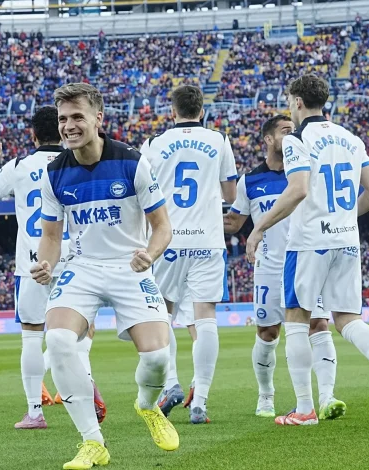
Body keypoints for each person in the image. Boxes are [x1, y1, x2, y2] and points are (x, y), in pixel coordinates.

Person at [245, 74, 369, 427]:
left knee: (297, 319)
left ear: (298, 102)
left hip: (309, 242)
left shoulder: (297, 138)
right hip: (347, 240)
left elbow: (298, 189)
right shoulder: (350, 137)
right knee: (347, 319)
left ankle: (305, 408)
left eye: (289, 100)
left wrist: (259, 227)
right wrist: (346, 216)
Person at [31, 83, 178, 469]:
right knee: (60, 341)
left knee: (159, 358)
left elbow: (162, 227)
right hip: (81, 267)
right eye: (63, 119)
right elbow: (50, 236)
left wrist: (150, 253)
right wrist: (46, 265)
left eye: (77, 117)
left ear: (99, 118)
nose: (68, 126)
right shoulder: (54, 173)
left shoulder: (132, 162)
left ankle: (147, 407)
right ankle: (92, 441)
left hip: (129, 265)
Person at [0, 106, 106, 430]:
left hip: (31, 263)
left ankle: (35, 412)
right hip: (74, 259)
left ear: (32, 135)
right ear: (60, 131)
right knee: (80, 332)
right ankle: (85, 391)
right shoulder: (76, 162)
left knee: (31, 336)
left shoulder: (19, 166)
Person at [224, 115, 345, 420]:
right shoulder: (249, 181)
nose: (293, 134)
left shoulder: (305, 171)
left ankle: (327, 396)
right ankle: (266, 395)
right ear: (268, 139)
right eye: (285, 131)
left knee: (318, 324)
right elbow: (234, 222)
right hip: (269, 266)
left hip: (307, 262)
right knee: (267, 332)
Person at [140, 85, 237, 424]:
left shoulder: (153, 144)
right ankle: (201, 402)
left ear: (172, 110)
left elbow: (144, 194)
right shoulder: (218, 140)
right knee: (205, 317)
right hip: (208, 241)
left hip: (167, 240)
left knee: (162, 315)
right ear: (202, 111)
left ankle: (171, 384)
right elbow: (230, 192)